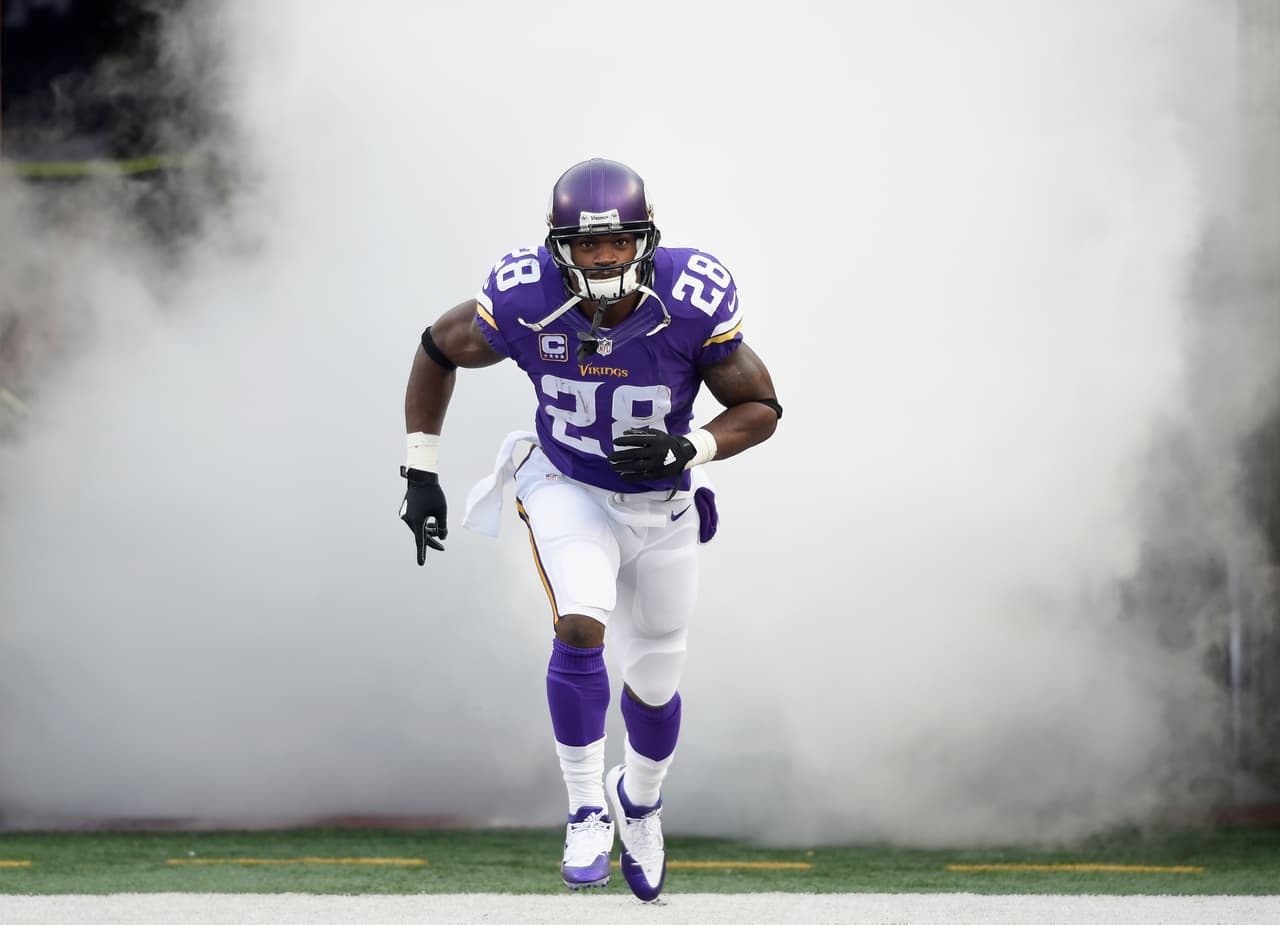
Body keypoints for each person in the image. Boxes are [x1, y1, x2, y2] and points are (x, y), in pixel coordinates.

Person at [399, 157, 781, 901]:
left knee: (657, 678)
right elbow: (437, 347)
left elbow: (761, 406)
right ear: (556, 244)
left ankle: (638, 801)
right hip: (567, 482)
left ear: (645, 238)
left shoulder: (691, 298)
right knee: (580, 621)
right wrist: (419, 468)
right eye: (586, 245)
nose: (603, 257)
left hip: (662, 503)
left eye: (617, 243)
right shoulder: (521, 299)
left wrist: (691, 445)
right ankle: (582, 809)